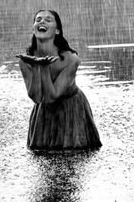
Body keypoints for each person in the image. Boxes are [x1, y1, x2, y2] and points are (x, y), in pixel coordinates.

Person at [17, 10, 102, 151]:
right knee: (42, 152)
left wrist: (43, 67)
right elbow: (37, 98)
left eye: (48, 20)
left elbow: (52, 96)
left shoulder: (71, 59)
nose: (42, 22)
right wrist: (35, 65)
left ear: (57, 31)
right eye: (38, 19)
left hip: (71, 107)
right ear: (33, 28)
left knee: (75, 152)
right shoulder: (26, 60)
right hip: (43, 109)